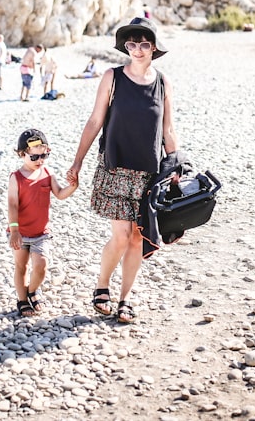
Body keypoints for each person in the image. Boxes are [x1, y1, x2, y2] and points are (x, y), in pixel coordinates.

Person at [66, 17, 178, 324]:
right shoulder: (112, 77)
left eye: (144, 44)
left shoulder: (162, 83)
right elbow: (94, 121)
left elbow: (168, 129)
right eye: (132, 44)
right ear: (125, 47)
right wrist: (77, 161)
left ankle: (125, 299)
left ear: (153, 47)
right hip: (115, 168)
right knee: (121, 235)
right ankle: (102, 286)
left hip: (148, 173)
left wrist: (175, 165)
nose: (138, 50)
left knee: (137, 238)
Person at [7, 128, 77, 317]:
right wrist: (14, 230)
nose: (40, 161)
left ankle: (33, 290)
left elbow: (60, 194)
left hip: (41, 233)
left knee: (41, 265)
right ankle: (22, 300)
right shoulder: (16, 177)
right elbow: (12, 205)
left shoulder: (47, 173)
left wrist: (73, 186)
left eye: (44, 156)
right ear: (23, 154)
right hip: (19, 232)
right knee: (21, 266)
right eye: (35, 157)